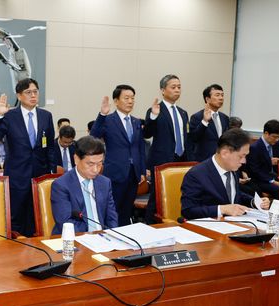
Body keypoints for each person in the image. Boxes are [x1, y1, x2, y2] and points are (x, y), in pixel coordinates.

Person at [0, 78, 55, 237]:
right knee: (16, 218)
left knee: (37, 217)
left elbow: (50, 146)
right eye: (28, 92)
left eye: (35, 91)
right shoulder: (10, 115)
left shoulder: (46, 115)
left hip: (40, 174)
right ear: (19, 96)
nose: (33, 95)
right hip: (17, 176)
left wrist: (51, 171)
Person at [181, 129, 270, 219]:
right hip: (209, 227)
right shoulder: (196, 175)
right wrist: (222, 209)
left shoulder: (233, 168)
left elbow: (234, 194)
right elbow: (188, 211)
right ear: (224, 153)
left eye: (245, 156)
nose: (244, 161)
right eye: (241, 156)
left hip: (235, 223)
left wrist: (253, 201)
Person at [90, 85, 146, 226]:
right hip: (115, 172)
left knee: (127, 210)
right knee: (113, 209)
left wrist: (142, 171)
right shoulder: (108, 120)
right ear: (116, 101)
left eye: (132, 98)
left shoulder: (136, 121)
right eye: (126, 98)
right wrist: (102, 115)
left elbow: (140, 148)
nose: (130, 101)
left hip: (133, 174)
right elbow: (94, 136)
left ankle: (125, 236)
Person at [143, 74, 189, 224]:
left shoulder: (183, 113)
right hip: (161, 161)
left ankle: (174, 223)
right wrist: (153, 116)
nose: (177, 90)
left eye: (179, 87)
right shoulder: (156, 110)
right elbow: (147, 133)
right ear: (163, 90)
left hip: (180, 161)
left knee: (177, 196)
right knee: (157, 199)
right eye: (173, 87)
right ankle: (150, 227)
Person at [51, 136, 118, 234]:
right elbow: (65, 222)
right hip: (74, 239)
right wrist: (92, 235)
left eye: (99, 164)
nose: (96, 170)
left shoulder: (105, 183)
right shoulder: (61, 185)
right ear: (76, 159)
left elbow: (111, 218)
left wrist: (112, 235)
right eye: (90, 164)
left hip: (104, 239)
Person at [188, 84, 230, 161]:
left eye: (222, 95)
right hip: (204, 160)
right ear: (207, 99)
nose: (221, 98)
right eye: (217, 95)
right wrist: (204, 121)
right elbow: (193, 138)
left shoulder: (225, 118)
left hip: (221, 159)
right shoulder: (196, 117)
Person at [244, 119, 279, 199]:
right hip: (259, 179)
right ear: (266, 133)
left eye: (278, 137)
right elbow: (254, 170)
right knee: (278, 189)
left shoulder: (277, 143)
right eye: (274, 137)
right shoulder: (255, 147)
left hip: (273, 175)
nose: (276, 140)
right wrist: (272, 181)